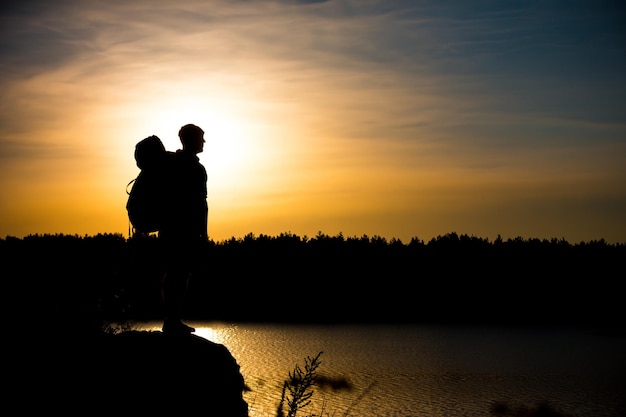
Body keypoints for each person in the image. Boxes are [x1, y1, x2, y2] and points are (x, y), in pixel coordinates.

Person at [159, 123, 208, 335]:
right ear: (191, 140)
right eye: (201, 138)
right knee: (179, 275)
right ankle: (172, 321)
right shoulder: (195, 169)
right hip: (184, 231)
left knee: (174, 274)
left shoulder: (171, 164)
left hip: (169, 229)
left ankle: (172, 319)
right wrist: (203, 233)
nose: (204, 142)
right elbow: (201, 203)